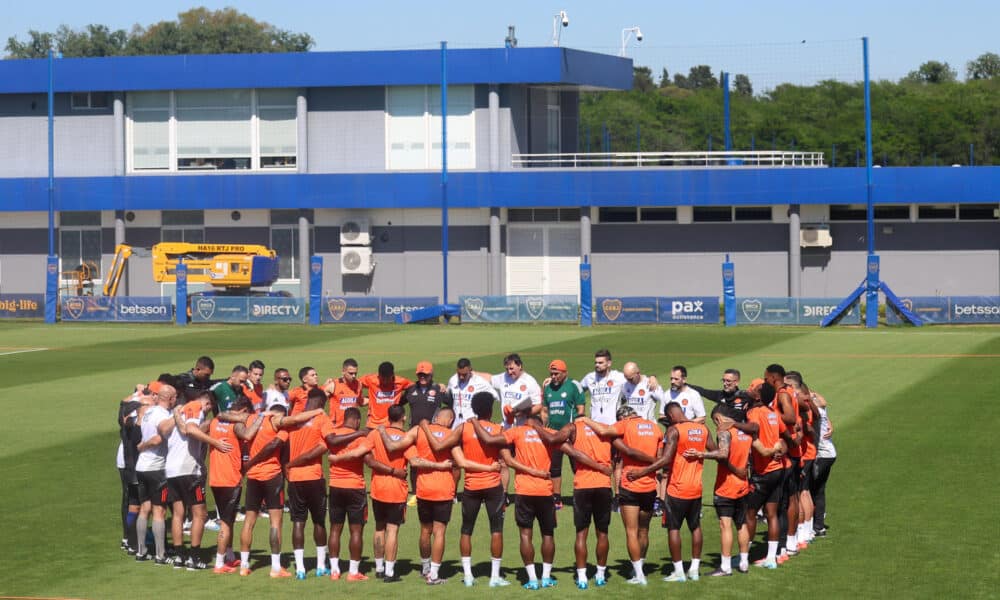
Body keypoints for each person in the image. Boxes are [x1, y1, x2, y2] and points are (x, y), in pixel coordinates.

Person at [471, 408, 558, 590]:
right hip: (545, 490)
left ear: (527, 422)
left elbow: (488, 439)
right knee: (548, 534)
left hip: (524, 491)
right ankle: (547, 577)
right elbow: (569, 446)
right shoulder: (550, 433)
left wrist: (475, 422)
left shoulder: (517, 432)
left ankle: (532, 579)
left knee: (525, 535)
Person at [530, 406, 613, 589]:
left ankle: (582, 578)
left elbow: (552, 439)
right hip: (604, 485)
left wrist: (536, 426)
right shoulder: (606, 428)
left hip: (583, 485)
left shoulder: (573, 427)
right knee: (602, 533)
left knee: (581, 534)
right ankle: (600, 576)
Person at [239, 398, 323, 577]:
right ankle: (276, 567)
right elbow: (276, 443)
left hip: (253, 476)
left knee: (248, 521)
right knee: (275, 522)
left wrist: (249, 463)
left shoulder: (253, 419)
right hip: (271, 475)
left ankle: (244, 566)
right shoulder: (280, 426)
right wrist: (317, 412)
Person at [580, 406, 661, 585]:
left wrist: (586, 419)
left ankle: (639, 575)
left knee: (631, 531)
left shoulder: (625, 425)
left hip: (631, 485)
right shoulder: (654, 427)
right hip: (650, 485)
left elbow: (603, 430)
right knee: (644, 530)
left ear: (623, 417)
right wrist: (654, 463)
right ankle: (638, 565)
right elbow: (660, 456)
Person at [631, 402, 710, 582]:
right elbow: (717, 451)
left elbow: (666, 459)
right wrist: (701, 455)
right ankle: (695, 569)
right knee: (695, 526)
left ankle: (679, 571)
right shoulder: (702, 429)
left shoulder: (674, 430)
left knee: (673, 528)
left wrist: (642, 471)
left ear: (671, 416)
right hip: (696, 489)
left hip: (677, 489)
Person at [164, 389, 230, 570]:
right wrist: (215, 442)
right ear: (207, 403)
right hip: (189, 469)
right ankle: (194, 557)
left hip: (171, 470)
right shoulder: (195, 407)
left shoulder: (180, 411)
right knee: (199, 514)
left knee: (178, 513)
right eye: (210, 407)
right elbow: (190, 430)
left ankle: (179, 557)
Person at [283, 388, 337, 579]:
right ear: (322, 403)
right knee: (319, 520)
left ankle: (299, 569)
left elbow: (281, 444)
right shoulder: (323, 419)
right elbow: (324, 446)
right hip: (313, 477)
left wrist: (288, 465)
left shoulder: (294, 419)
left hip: (295, 479)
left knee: (298, 522)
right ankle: (321, 565)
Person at [207, 396, 261, 574]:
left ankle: (229, 557)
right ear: (244, 410)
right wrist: (259, 420)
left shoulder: (215, 421)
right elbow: (247, 434)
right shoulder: (236, 425)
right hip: (231, 479)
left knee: (225, 518)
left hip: (215, 478)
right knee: (226, 523)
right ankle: (219, 563)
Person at [742, 383, 790, 569]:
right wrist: (780, 448)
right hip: (777, 469)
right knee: (772, 514)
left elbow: (753, 428)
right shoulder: (773, 413)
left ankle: (745, 556)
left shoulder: (756, 412)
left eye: (756, 389)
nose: (752, 390)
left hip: (763, 472)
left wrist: (736, 424)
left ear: (758, 397)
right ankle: (771, 558)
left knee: (750, 513)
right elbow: (783, 436)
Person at [326, 406, 375, 581]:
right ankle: (353, 572)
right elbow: (369, 461)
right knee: (356, 531)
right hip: (355, 487)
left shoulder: (334, 434)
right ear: (356, 420)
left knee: (335, 529)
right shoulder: (361, 437)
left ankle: (334, 570)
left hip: (335, 485)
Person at [365, 405, 410, 583]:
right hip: (396, 489)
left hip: (378, 488)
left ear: (388, 417)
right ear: (404, 418)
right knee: (392, 530)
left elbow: (366, 457)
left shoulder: (375, 434)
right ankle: (390, 572)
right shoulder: (406, 438)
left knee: (379, 528)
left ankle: (378, 568)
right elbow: (414, 458)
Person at [133, 383, 178, 564]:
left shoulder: (149, 411)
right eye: (175, 397)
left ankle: (141, 551)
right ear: (170, 398)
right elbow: (159, 436)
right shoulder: (162, 415)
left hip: (142, 467)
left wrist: (141, 447)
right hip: (157, 468)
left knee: (144, 509)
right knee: (159, 511)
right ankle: (161, 555)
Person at [764, 364, 802, 561]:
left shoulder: (782, 394)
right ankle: (792, 541)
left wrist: (769, 414)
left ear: (773, 377)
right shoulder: (788, 392)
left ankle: (784, 544)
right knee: (792, 498)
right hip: (792, 448)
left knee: (784, 501)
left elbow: (791, 417)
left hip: (789, 450)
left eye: (767, 378)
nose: (766, 381)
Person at [398, 360, 450, 505]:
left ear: (431, 374)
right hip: (414, 431)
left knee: (432, 460)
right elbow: (398, 404)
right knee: (414, 462)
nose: (422, 377)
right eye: (420, 374)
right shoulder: (410, 389)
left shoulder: (439, 389)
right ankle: (415, 493)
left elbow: (451, 405)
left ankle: (432, 490)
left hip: (432, 433)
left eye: (425, 375)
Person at [541, 359, 585, 510]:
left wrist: (575, 430)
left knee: (577, 466)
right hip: (554, 434)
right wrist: (544, 427)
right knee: (554, 467)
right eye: (551, 374)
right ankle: (556, 498)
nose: (553, 377)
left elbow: (580, 410)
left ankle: (581, 495)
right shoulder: (548, 388)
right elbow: (545, 411)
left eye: (556, 374)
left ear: (565, 372)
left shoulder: (574, 386)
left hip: (571, 434)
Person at [810, 388, 836, 538]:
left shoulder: (813, 409)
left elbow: (823, 404)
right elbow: (823, 404)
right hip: (827, 454)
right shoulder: (819, 409)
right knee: (818, 490)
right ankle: (818, 525)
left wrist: (809, 394)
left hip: (822, 455)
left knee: (808, 490)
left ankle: (811, 527)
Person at [578, 349, 626, 426]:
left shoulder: (618, 377)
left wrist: (652, 378)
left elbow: (636, 380)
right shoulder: (589, 377)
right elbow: (576, 390)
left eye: (600, 363)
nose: (597, 365)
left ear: (609, 363)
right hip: (594, 426)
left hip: (613, 425)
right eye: (596, 363)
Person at [359, 362, 413, 429]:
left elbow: (413, 388)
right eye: (382, 378)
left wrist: (402, 401)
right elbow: (356, 383)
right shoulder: (371, 380)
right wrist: (361, 398)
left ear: (392, 375)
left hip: (392, 425)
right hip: (373, 424)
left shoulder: (400, 382)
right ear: (378, 376)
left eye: (387, 378)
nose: (385, 381)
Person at [446, 358, 496, 430]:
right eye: (459, 374)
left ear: (470, 370)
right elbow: (449, 396)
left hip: (471, 423)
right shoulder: (453, 380)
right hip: (455, 423)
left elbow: (494, 396)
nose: (461, 377)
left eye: (464, 374)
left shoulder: (480, 382)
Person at [327, 359, 363, 427]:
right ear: (343, 371)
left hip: (353, 427)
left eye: (355, 373)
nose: (354, 376)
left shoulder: (358, 384)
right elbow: (318, 398)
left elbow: (361, 401)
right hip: (337, 428)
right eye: (351, 373)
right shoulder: (333, 385)